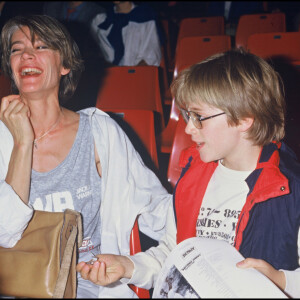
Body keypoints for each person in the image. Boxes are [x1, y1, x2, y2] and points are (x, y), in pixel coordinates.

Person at [77, 49, 300, 298]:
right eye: (187, 115)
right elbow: (175, 255)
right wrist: (128, 266)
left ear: (244, 119)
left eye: (199, 117)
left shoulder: (291, 190)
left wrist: (281, 281)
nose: (188, 128)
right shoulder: (193, 177)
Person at [0, 14, 172, 298]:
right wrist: (22, 143)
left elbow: (160, 209)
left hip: (88, 286)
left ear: (65, 64)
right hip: (17, 285)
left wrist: (135, 265)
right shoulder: (5, 139)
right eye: (17, 49)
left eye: (41, 47)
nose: (27, 55)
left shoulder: (98, 133)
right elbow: (5, 234)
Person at [90, 1, 162, 66]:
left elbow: (150, 58)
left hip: (136, 76)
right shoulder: (99, 21)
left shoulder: (146, 19)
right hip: (107, 76)